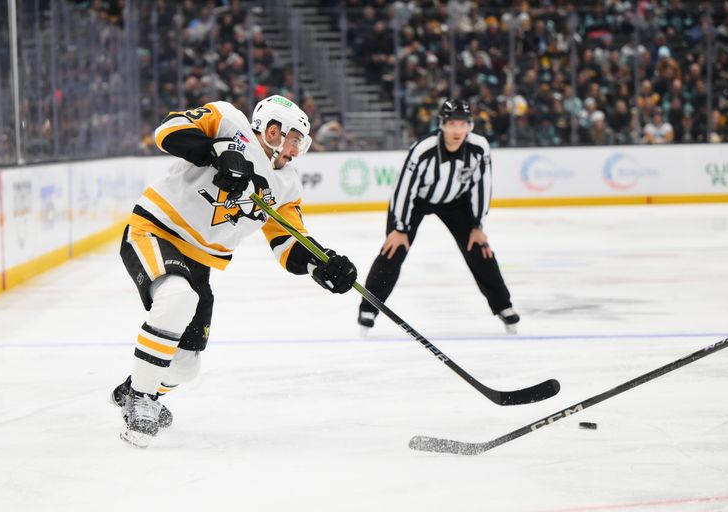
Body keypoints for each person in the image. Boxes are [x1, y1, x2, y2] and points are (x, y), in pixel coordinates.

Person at [111, 95, 358, 448]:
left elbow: (289, 245)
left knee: (185, 366)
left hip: (200, 263)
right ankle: (142, 399)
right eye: (295, 140)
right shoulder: (228, 120)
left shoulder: (285, 185)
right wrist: (217, 151)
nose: (297, 151)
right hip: (156, 231)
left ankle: (135, 388)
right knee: (177, 298)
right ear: (274, 130)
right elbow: (167, 131)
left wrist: (324, 263)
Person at [356, 99, 519, 335]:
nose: (457, 130)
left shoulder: (479, 148)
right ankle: (369, 307)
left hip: (456, 201)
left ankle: (504, 306)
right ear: (442, 124)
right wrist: (400, 228)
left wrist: (477, 225)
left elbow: (482, 185)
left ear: (470, 126)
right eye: (451, 123)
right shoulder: (424, 149)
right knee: (393, 248)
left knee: (479, 248)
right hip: (416, 201)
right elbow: (403, 188)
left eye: (462, 124)